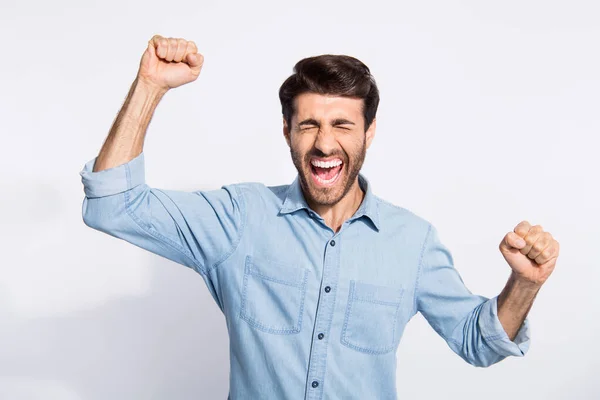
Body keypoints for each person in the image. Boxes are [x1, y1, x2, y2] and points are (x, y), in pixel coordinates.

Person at [79, 34, 560, 399]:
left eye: (342, 125)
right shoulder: (238, 218)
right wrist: (149, 87)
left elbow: (479, 342)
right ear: (287, 130)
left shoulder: (413, 242)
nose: (325, 144)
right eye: (309, 124)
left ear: (368, 133)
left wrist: (525, 284)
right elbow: (113, 206)